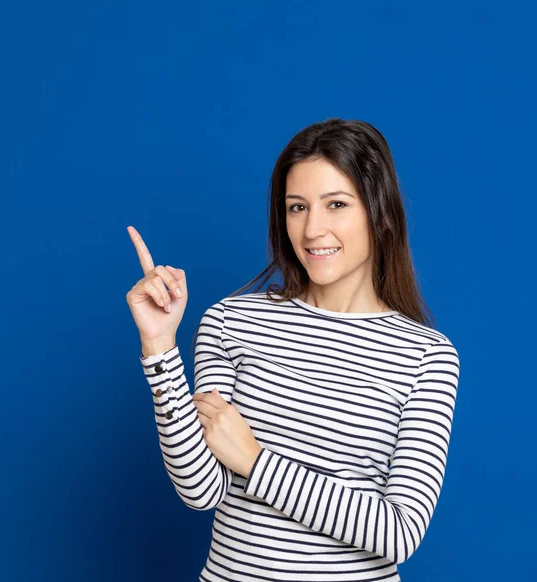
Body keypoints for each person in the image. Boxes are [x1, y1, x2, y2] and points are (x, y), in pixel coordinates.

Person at [126, 118, 461, 582]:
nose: (311, 230)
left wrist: (256, 462)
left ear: (380, 214)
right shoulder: (232, 321)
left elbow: (400, 531)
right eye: (297, 207)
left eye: (336, 204)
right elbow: (200, 490)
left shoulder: (427, 355)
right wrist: (160, 347)